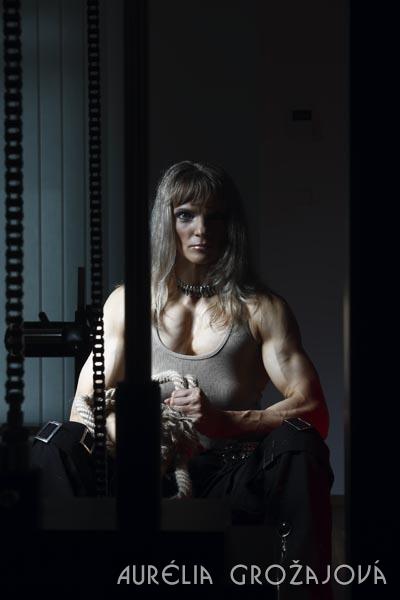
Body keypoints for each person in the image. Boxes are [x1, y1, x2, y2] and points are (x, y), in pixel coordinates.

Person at [69, 160, 334, 592]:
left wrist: (223, 421)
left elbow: (314, 410)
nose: (201, 230)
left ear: (231, 226)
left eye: (215, 217)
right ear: (166, 223)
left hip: (229, 474)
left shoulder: (261, 309)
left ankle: (306, 590)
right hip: (142, 473)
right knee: (57, 444)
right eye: (186, 215)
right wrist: (133, 433)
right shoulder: (126, 304)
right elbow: (82, 410)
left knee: (300, 444)